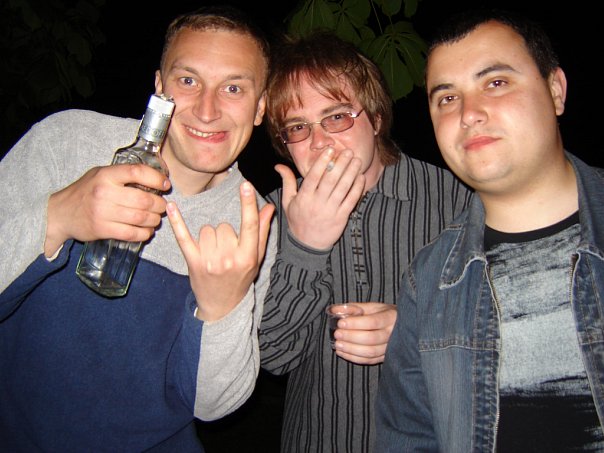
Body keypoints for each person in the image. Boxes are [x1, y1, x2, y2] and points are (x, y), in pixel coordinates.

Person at [0, 6, 277, 451]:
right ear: (159, 87)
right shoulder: (68, 142)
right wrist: (59, 216)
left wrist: (222, 308)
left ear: (260, 107)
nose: (207, 110)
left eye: (233, 88)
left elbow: (213, 405)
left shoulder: (253, 219)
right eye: (188, 81)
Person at [375, 8, 604, 452]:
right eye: (447, 98)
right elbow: (407, 438)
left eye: (496, 83)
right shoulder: (428, 279)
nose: (469, 114)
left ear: (555, 90)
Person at [257, 31, 473, 453]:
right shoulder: (268, 215)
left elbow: (505, 327)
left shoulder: (457, 201)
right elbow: (272, 356)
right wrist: (304, 246)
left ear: (374, 118)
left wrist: (414, 333)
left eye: (337, 117)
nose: (319, 142)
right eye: (298, 127)